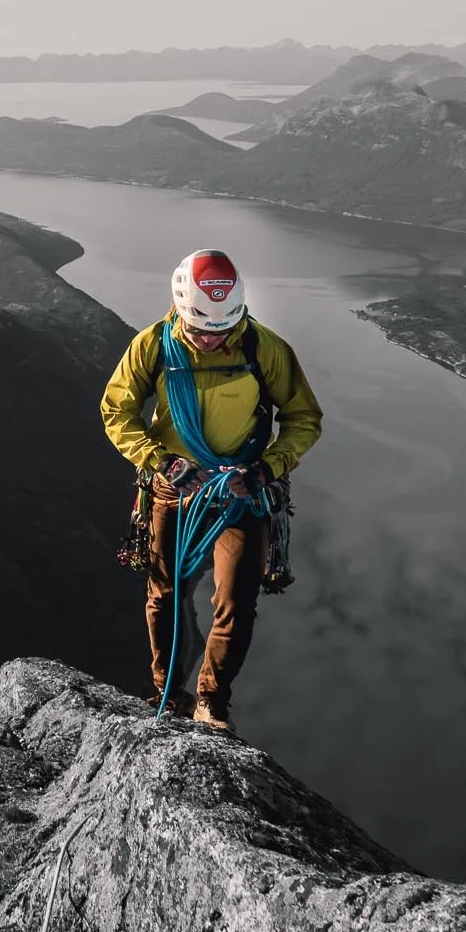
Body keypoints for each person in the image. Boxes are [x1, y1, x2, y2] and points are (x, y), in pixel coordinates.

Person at [98, 248, 322, 734]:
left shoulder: (264, 347)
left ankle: (212, 700)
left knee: (236, 600)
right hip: (174, 490)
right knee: (164, 594)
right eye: (202, 330)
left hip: (239, 492)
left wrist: (267, 468)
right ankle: (167, 691)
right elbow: (117, 411)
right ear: (181, 310)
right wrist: (161, 461)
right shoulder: (153, 346)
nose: (213, 340)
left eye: (223, 331)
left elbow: (303, 417)